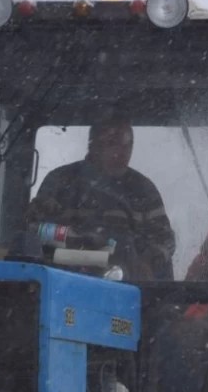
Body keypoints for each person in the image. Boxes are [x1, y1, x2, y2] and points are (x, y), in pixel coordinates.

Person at [27, 117, 176, 280]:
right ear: (93, 146)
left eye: (128, 145)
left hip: (130, 288)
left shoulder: (144, 190)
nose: (122, 152)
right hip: (62, 282)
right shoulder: (60, 181)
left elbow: (164, 239)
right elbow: (35, 231)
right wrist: (91, 243)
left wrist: (146, 262)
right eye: (113, 143)